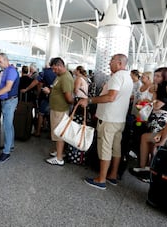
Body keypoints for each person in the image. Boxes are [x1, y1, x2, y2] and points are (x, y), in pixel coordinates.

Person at [79, 54, 133, 190]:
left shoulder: (117, 77)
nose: (109, 63)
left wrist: (90, 100)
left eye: (112, 61)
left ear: (120, 63)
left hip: (109, 119)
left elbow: (110, 97)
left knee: (105, 148)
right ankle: (112, 175)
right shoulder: (128, 77)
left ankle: (101, 179)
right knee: (116, 148)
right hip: (119, 120)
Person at [45, 57, 74, 166]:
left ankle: (59, 158)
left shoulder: (65, 78)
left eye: (54, 68)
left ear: (60, 66)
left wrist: (73, 103)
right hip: (57, 109)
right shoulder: (60, 76)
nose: (53, 71)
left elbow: (68, 98)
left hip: (60, 110)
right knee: (58, 133)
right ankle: (59, 152)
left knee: (59, 134)